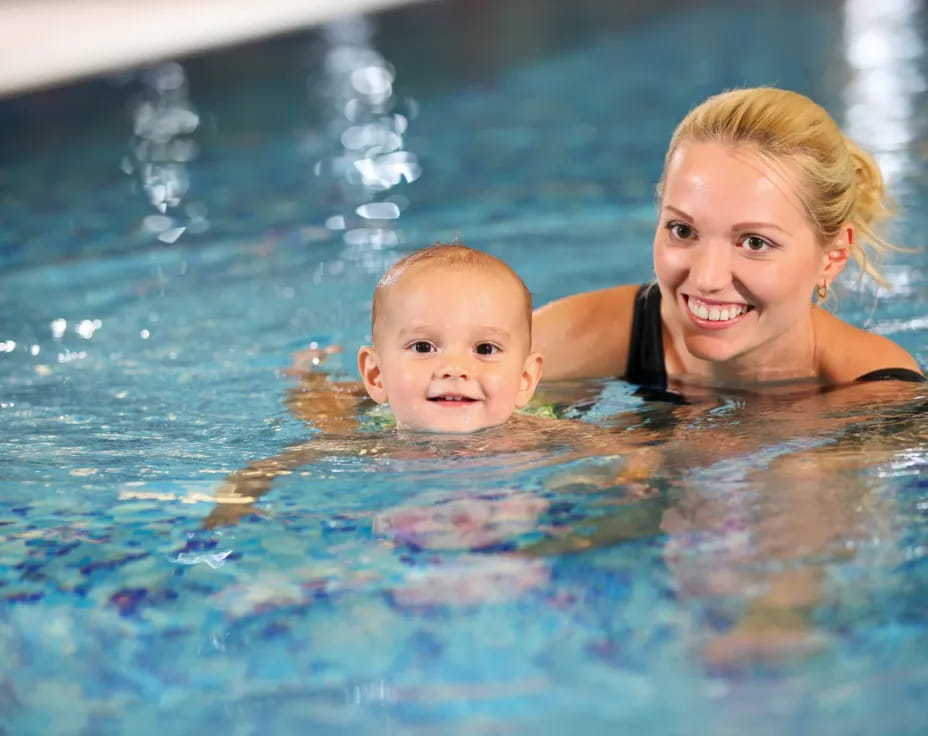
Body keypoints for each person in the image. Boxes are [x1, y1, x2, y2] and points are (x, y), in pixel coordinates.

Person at [532, 87, 924, 392]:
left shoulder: (878, 398)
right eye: (683, 230)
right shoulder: (579, 336)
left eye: (755, 243)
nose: (706, 279)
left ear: (833, 256)